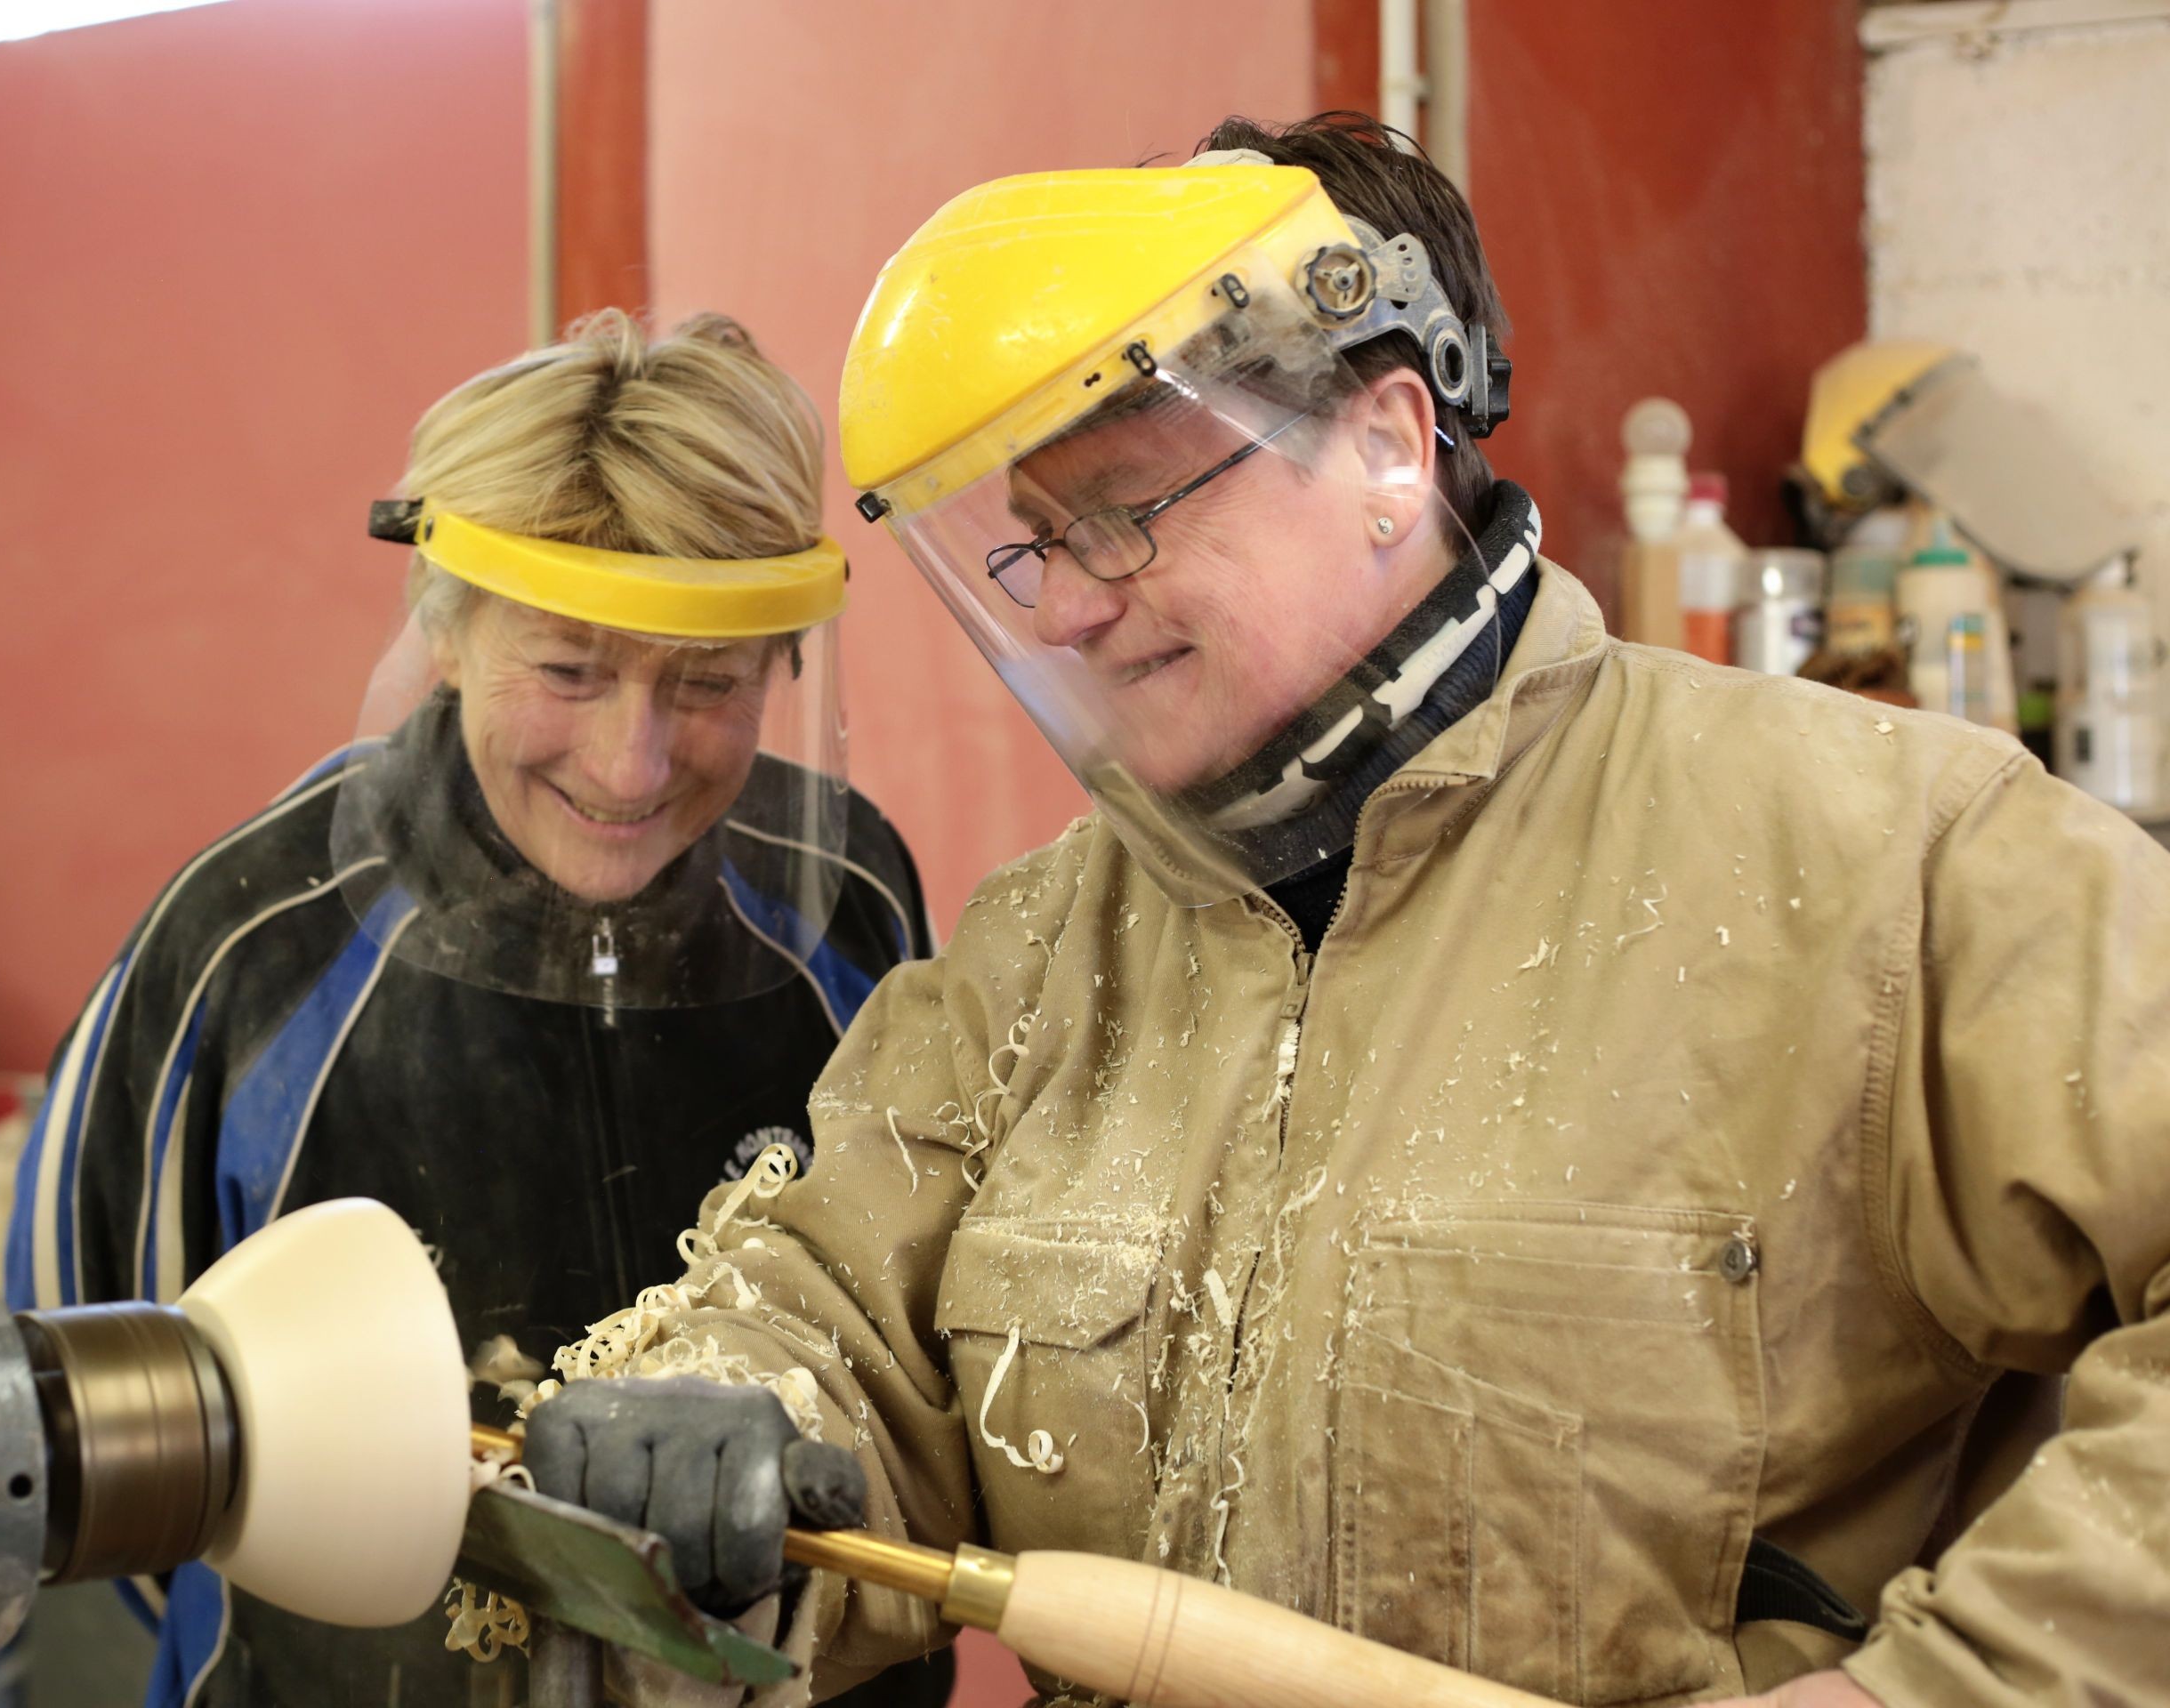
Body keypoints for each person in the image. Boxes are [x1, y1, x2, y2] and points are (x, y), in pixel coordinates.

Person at [524, 117, 2170, 1708]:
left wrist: (1946, 1693)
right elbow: (837, 1329)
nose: (1074, 604)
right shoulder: (1035, 963)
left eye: (1125, 509)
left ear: (1387, 443)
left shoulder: (1879, 858)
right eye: (1030, 545)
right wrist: (718, 1417)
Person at [4, 310, 952, 1708]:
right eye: (566, 669)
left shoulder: (850, 901)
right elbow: (75, 1409)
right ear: (447, 633)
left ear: (783, 665)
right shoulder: (248, 945)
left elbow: (925, 1334)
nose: (631, 764)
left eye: (707, 683)